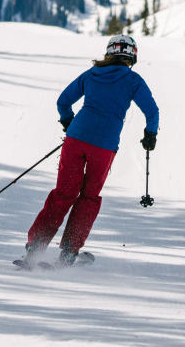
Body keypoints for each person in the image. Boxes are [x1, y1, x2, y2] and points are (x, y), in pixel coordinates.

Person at [18, 34, 159, 269]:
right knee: (89, 197)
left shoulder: (91, 74)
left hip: (76, 140)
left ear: (109, 52)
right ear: (132, 56)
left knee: (64, 192)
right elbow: (152, 112)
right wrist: (149, 136)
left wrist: (68, 123)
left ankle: (36, 247)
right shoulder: (134, 80)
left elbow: (63, 101)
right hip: (103, 147)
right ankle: (69, 252)